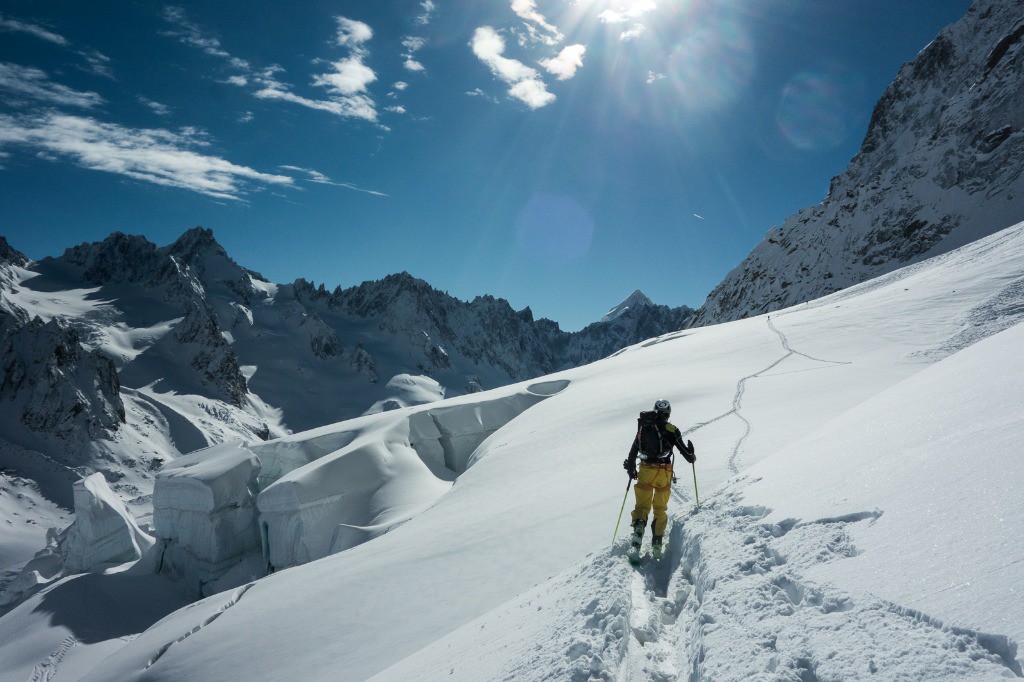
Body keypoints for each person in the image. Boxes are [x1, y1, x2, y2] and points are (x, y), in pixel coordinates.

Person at [623, 399, 696, 557]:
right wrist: (692, 454)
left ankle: (637, 539)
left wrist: (631, 469)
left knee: (642, 507)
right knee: (660, 508)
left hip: (645, 470)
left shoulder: (644, 427)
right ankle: (657, 544)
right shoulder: (672, 429)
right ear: (669, 413)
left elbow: (633, 450)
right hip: (664, 471)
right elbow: (687, 456)